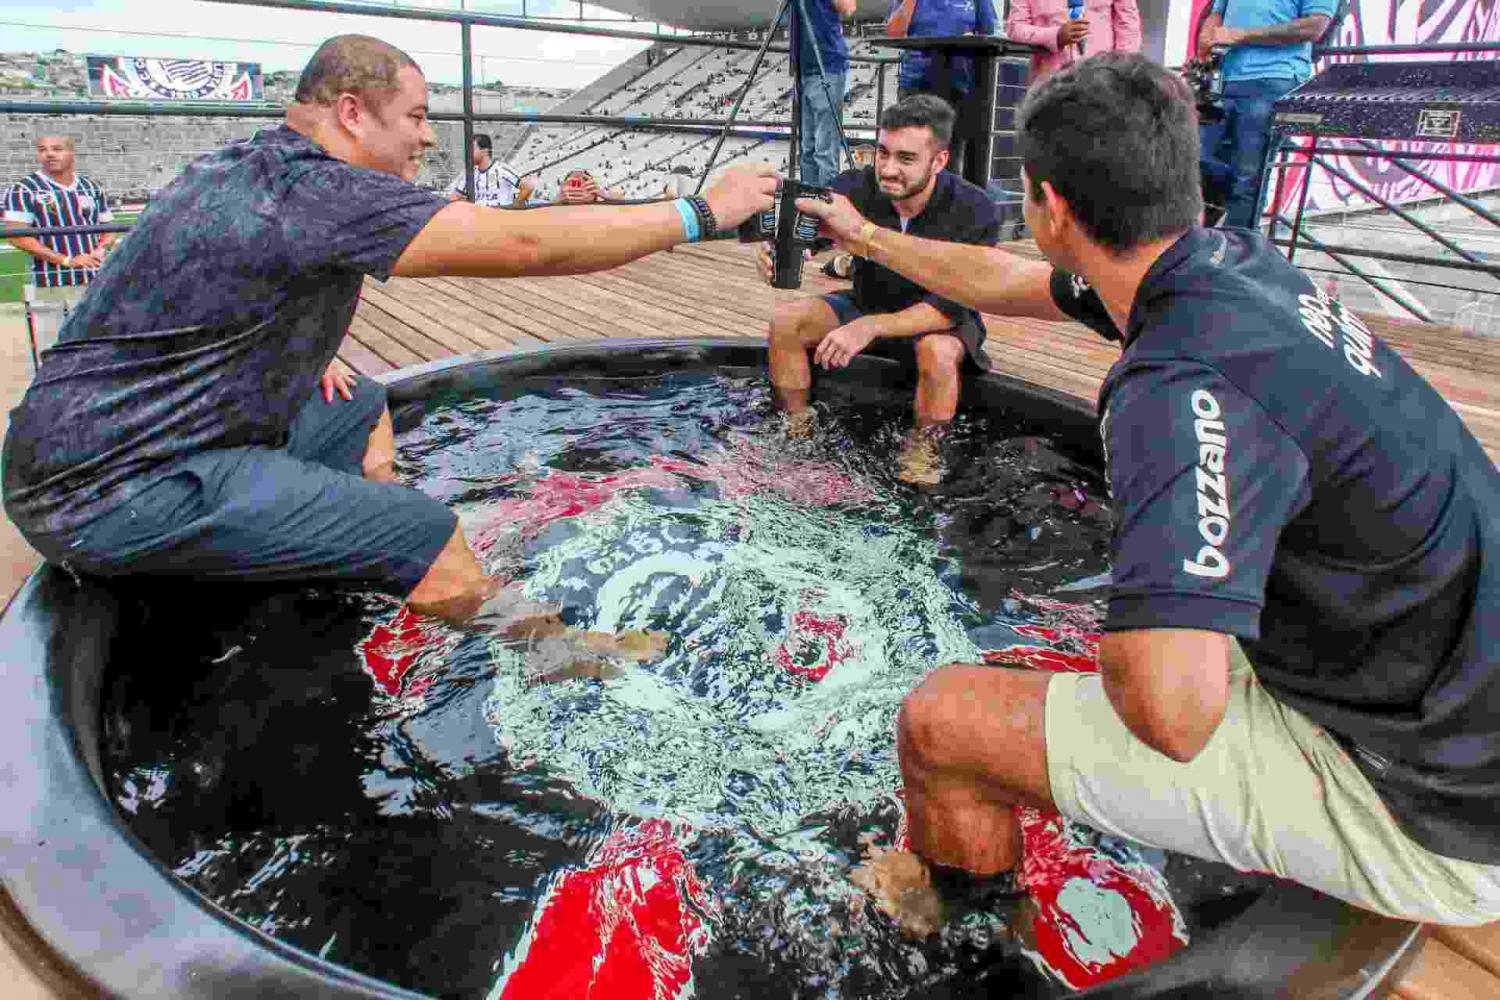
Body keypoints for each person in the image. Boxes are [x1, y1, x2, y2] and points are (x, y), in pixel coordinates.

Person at [796, 53, 1500, 925]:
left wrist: (1147, 555)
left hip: (1432, 805)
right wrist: (865, 237)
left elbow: (1172, 714)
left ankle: (966, 927)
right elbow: (1011, 281)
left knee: (943, 722)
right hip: (1446, 690)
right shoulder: (1233, 267)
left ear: (1051, 207)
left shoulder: (1173, 388)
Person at [1, 34, 776, 625]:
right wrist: (700, 213)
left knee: (361, 404)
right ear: (350, 113)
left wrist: (302, 354)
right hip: (108, 491)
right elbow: (526, 243)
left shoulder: (239, 167)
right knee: (429, 535)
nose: (429, 138)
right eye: (414, 116)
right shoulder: (329, 190)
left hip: (82, 455)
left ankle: (356, 533)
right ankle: (546, 649)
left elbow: (200, 289)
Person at [762, 95, 999, 486]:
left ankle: (923, 452)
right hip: (867, 302)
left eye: (906, 159)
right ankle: (797, 431)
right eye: (883, 153)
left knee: (937, 352)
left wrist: (869, 326)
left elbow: (948, 308)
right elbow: (808, 234)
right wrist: (778, 251)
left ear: (938, 161)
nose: (888, 169)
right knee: (787, 320)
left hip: (936, 318)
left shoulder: (977, 211)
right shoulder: (854, 187)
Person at [1196, 0, 1336, 229]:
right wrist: (1207, 37)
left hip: (1272, 81)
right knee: (1197, 168)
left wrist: (1242, 35)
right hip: (1221, 80)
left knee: (1247, 179)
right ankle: (1197, 249)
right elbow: (1217, 12)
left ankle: (1237, 255)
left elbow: (1315, 26)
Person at [3, 135, 118, 355]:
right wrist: (66, 260)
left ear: (72, 153)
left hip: (93, 279)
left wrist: (100, 249)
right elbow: (16, 234)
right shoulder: (24, 189)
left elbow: (108, 227)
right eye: (42, 149)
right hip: (50, 282)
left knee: (95, 340)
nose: (49, 154)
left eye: (57, 149)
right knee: (51, 345)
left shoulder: (91, 187)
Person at [885, 0, 1000, 170]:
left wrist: (972, 37)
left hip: (959, 84)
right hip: (916, 83)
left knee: (950, 161)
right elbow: (894, 32)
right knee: (910, 155)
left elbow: (990, 31)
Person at [790, 0, 857, 187]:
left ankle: (826, 204)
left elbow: (849, 8)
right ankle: (808, 202)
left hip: (826, 65)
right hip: (804, 69)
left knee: (824, 150)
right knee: (808, 149)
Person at [1004, 0, 1141, 83]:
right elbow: (1015, 28)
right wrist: (1056, 36)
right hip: (1049, 85)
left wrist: (1120, 71)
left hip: (1102, 79)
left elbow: (1128, 25)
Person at [445, 133, 534, 208]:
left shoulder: (501, 170)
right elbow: (455, 197)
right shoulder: (470, 174)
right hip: (478, 220)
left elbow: (528, 185)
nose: (468, 153)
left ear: (485, 151)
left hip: (499, 219)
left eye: (472, 149)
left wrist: (515, 204)